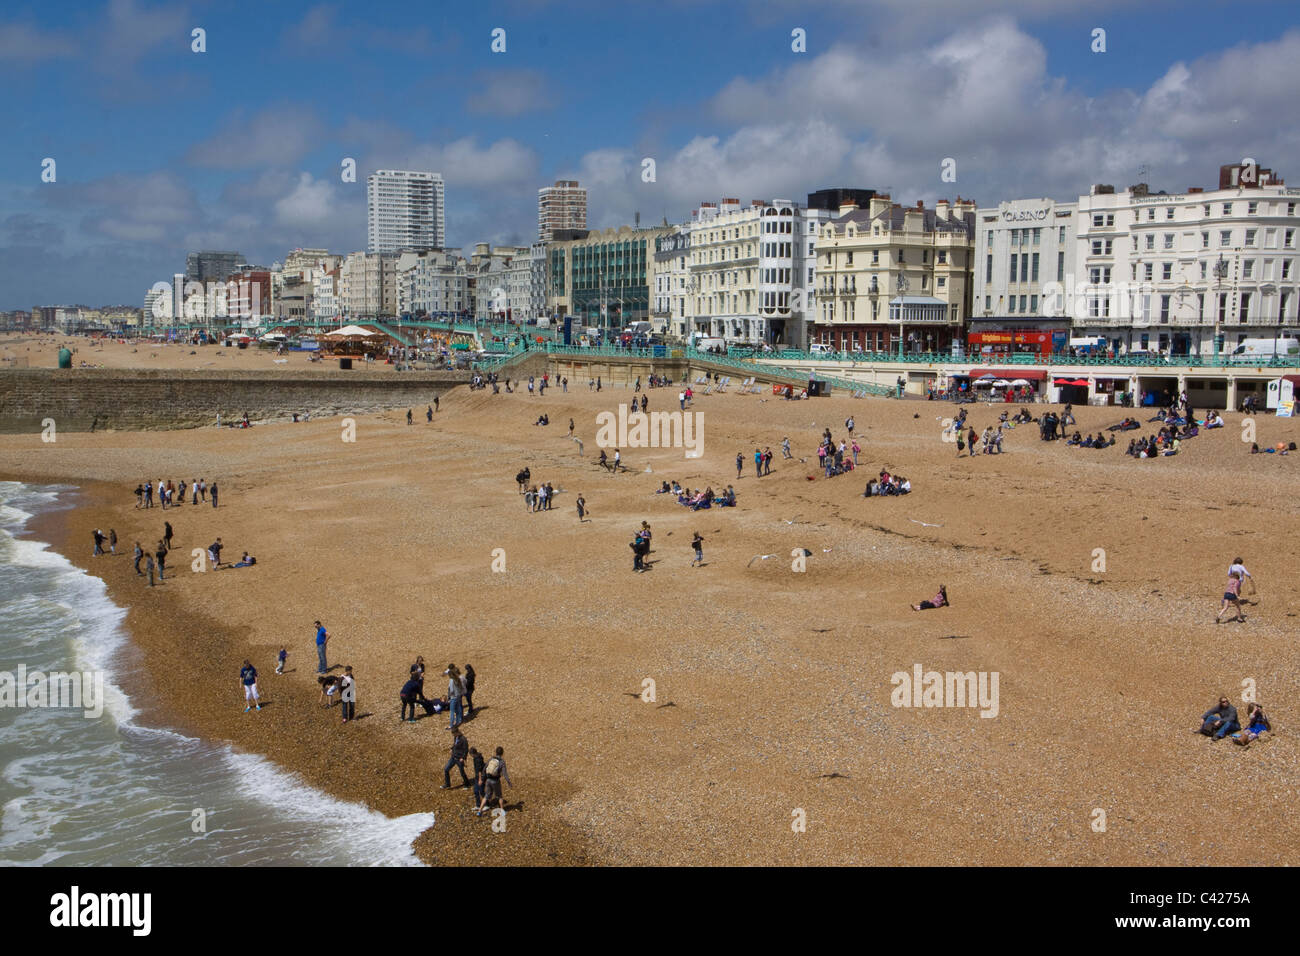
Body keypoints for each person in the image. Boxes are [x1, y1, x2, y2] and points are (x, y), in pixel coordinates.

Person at [476, 746, 513, 816]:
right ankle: (502, 811)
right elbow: (505, 773)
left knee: (486, 796)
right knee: (499, 796)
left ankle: (479, 811)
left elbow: (484, 769)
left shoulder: (491, 759)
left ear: (495, 752)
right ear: (502, 753)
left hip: (488, 780)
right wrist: (508, 782)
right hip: (495, 781)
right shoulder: (502, 762)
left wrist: (482, 779)